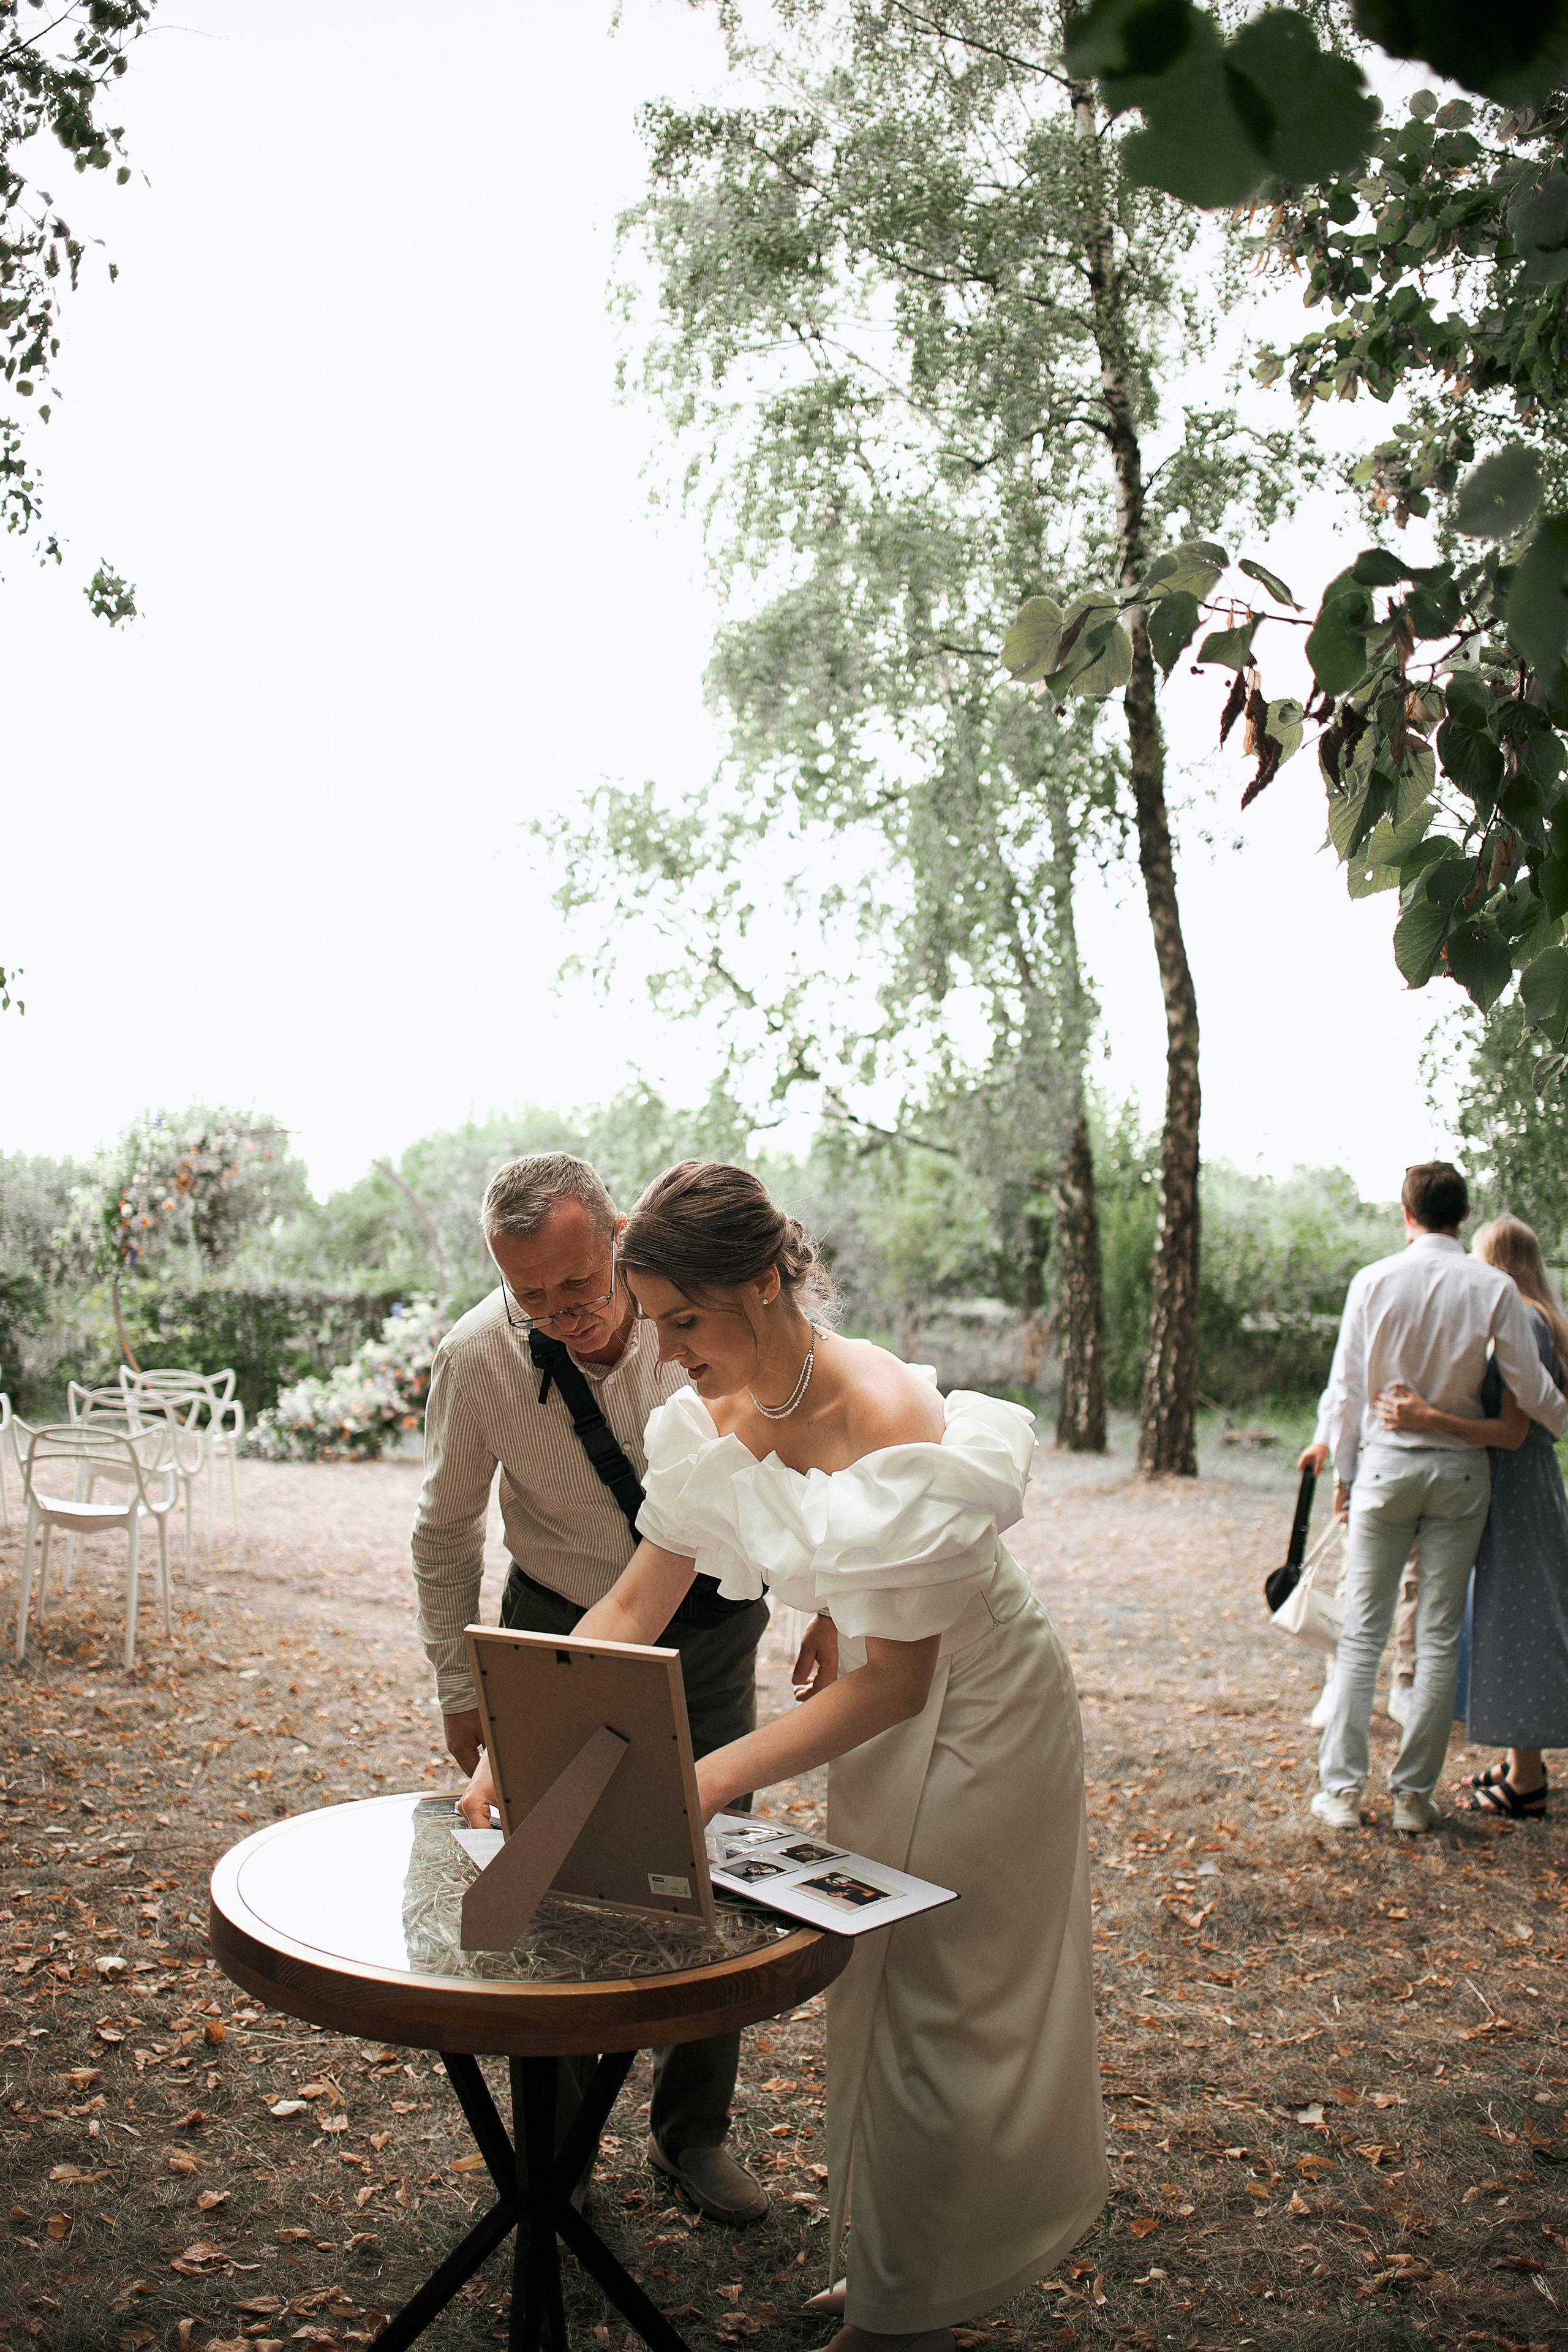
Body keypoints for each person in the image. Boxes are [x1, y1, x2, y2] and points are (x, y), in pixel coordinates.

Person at [464, 1159, 1106, 2352]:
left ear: (763, 1282)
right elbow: (630, 1606)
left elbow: (899, 1678)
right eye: (656, 1323)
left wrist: (701, 1777)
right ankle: (891, 2265)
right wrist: (524, 1729)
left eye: (684, 1322)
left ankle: (906, 2313)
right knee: (872, 1984)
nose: (666, 1350)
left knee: (945, 1994)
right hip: (884, 1695)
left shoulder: (882, 1412)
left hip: (983, 1710)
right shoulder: (707, 1414)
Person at [412, 1151, 771, 2223]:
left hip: (709, 1631)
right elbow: (443, 1533)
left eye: (580, 1285)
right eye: (533, 1297)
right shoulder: (475, 1359)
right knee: (552, 1884)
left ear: (616, 1231)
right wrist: (457, 1684)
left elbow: (798, 1447)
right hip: (559, 1624)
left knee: (714, 1872)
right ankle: (556, 2161)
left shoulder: (692, 1316)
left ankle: (693, 2135)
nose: (564, 1314)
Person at [1309, 1160, 1568, 1834]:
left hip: (1386, 1472)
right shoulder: (1493, 1286)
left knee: (1362, 1633)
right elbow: (1533, 1390)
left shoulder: (1372, 1281)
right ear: (1462, 1215)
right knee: (1439, 1635)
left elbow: (1345, 1392)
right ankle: (1412, 1799)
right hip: (1459, 1478)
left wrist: (1342, 1477)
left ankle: (1340, 1794)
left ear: (1406, 1214)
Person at [1375, 1215, 1568, 1820]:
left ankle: (1528, 1780)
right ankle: (1518, 1763)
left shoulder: (1528, 1325)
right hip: (1516, 1486)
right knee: (1507, 1617)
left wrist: (1427, 1418)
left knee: (1521, 1622)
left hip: (1517, 1486)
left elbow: (1511, 1431)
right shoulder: (1540, 1318)